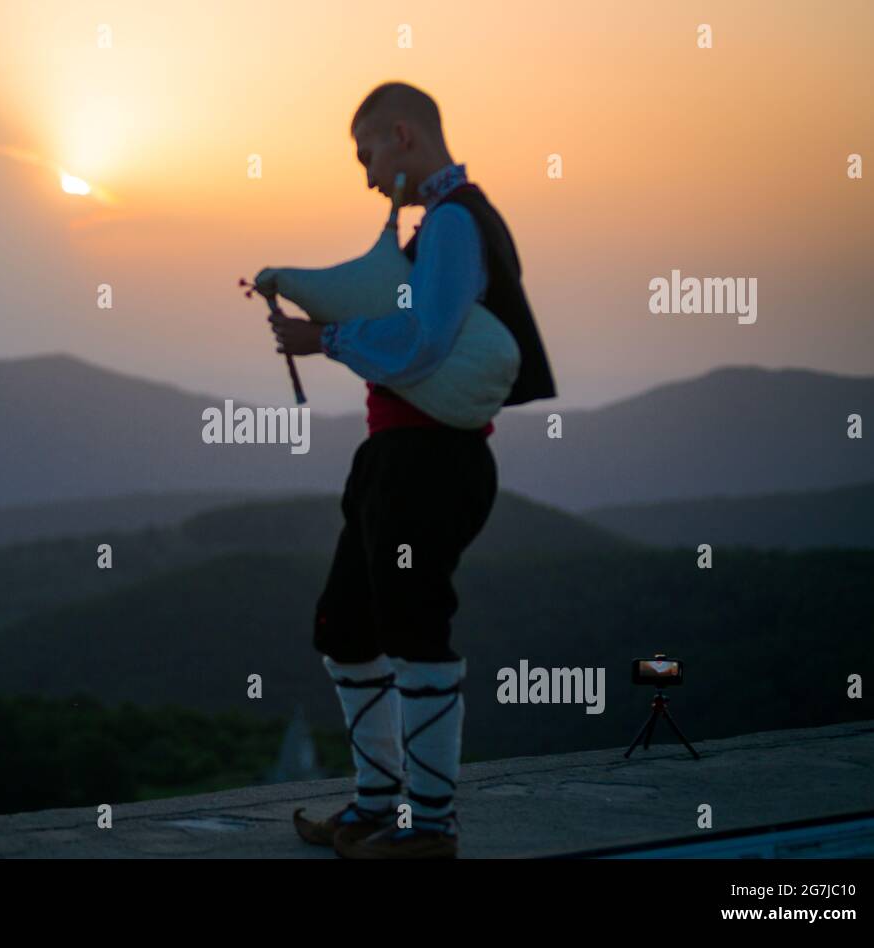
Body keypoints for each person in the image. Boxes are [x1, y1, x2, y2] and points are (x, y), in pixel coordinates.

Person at [271, 81, 557, 859]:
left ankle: (429, 829)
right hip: (396, 457)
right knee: (347, 626)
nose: (364, 174)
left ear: (402, 135)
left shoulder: (457, 223)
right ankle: (377, 806)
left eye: (365, 153)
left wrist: (320, 342)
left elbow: (424, 343)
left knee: (414, 629)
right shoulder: (445, 222)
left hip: (430, 463)